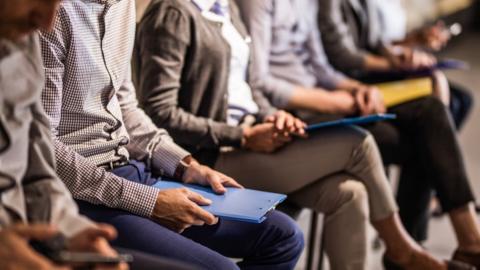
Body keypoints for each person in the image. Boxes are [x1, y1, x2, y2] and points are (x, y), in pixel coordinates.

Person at [134, 0, 474, 269]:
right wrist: (243, 134)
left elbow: (251, 88)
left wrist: (274, 116)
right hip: (216, 154)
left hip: (254, 132)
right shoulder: (173, 13)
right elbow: (158, 111)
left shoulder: (227, 7)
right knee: (359, 144)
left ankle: (409, 250)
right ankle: (403, 250)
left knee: (350, 193)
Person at [38, 0, 304, 269]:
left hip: (130, 169)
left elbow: (126, 106)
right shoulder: (51, 16)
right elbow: (44, 149)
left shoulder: (123, 5)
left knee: (284, 236)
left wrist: (185, 165)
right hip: (81, 191)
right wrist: (148, 202)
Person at [238, 0, 480, 267]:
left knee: (431, 113)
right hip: (295, 111)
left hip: (325, 94)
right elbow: (260, 80)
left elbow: (321, 68)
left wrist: (356, 90)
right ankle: (417, 247)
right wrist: (338, 101)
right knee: (422, 139)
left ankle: (456, 241)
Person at [0, 1, 196, 270]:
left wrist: (74, 234)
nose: (47, 21)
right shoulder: (43, 30)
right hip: (80, 190)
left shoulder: (19, 47)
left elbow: (38, 168)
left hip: (47, 219)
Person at [317, 0, 473, 129]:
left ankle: (427, 161)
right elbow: (342, 54)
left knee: (463, 99)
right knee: (436, 96)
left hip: (374, 65)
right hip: (354, 74)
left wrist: (404, 50)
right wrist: (395, 63)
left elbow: (377, 40)